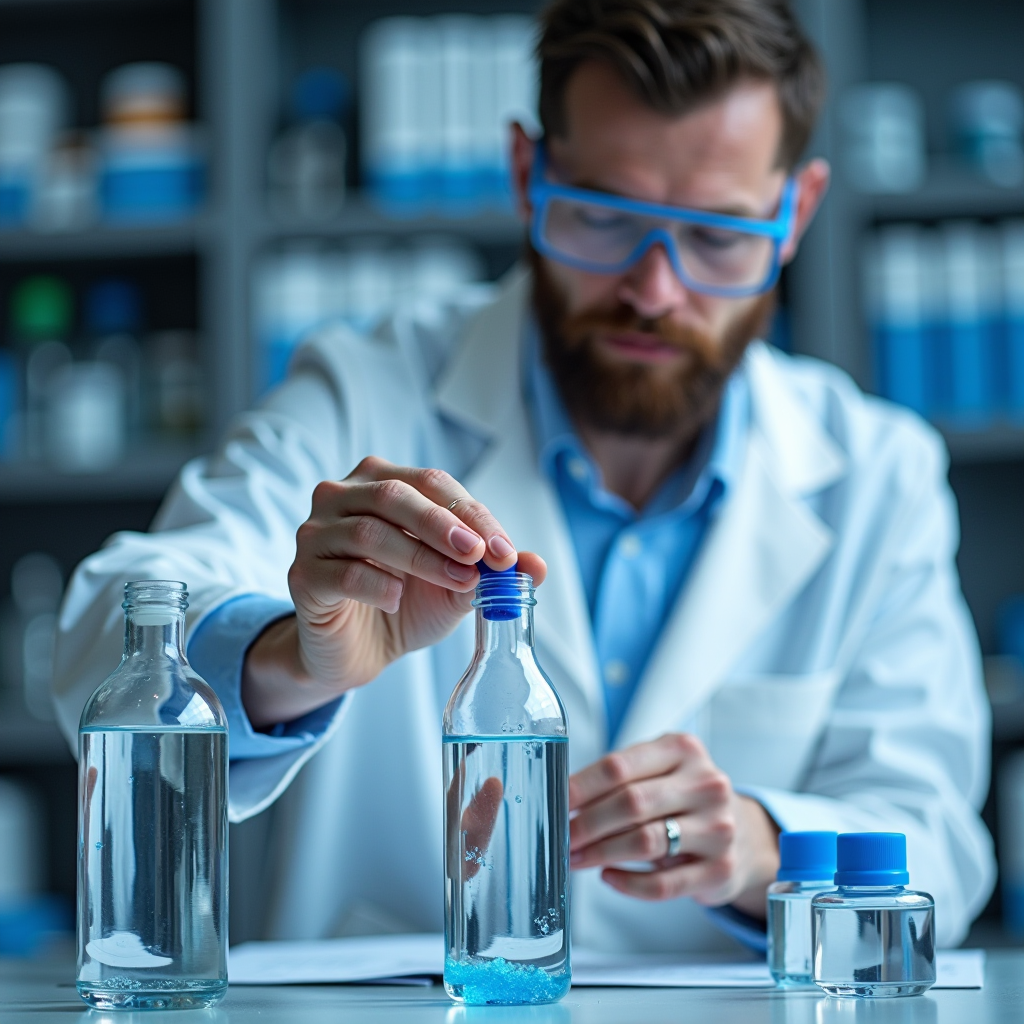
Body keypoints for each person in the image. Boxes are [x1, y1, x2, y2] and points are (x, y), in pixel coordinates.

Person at [54, 0, 994, 953]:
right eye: (600, 216)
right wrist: (294, 656)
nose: (655, 290)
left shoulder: (878, 473)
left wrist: (760, 845)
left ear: (797, 214)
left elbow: (942, 848)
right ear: (524, 172)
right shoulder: (363, 390)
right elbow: (112, 623)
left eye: (716, 235)